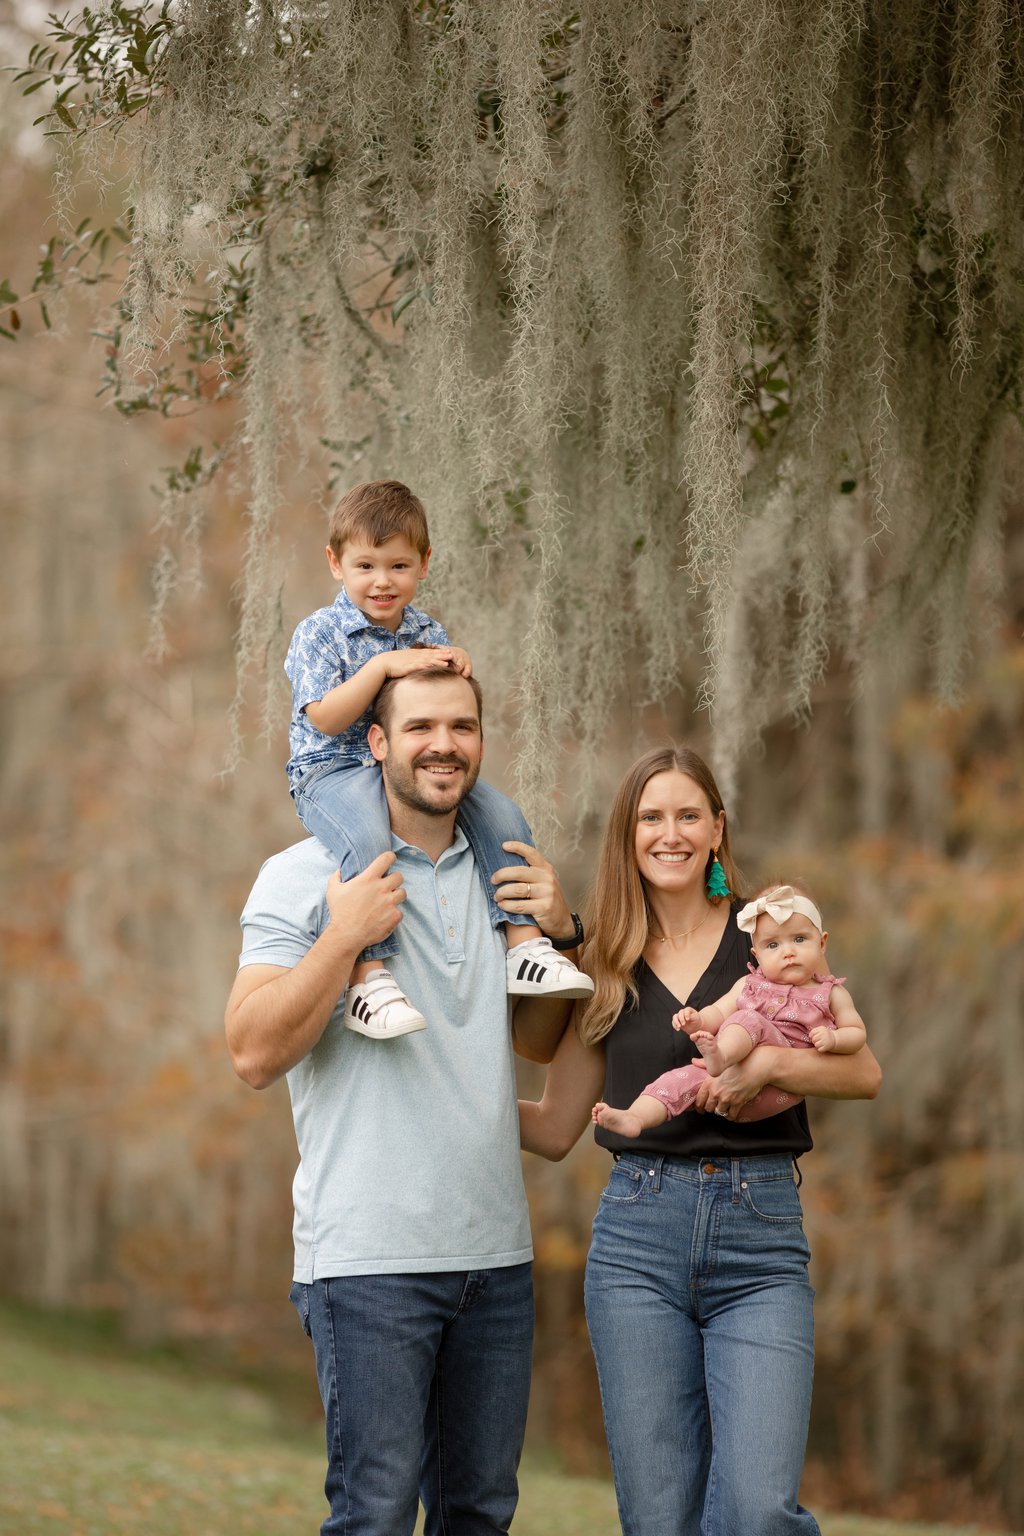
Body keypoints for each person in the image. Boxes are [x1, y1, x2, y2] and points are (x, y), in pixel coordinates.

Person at [225, 666, 581, 1536]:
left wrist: (565, 933)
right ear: (377, 742)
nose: (443, 745)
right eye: (420, 727)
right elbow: (251, 1051)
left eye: (462, 727)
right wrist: (343, 935)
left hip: (495, 1259)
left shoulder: (505, 873)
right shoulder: (304, 874)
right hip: (368, 1262)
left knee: (480, 1516)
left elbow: (536, 1044)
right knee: (374, 1517)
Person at [518, 745, 882, 1536]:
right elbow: (552, 1127)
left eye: (689, 815)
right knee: (660, 1519)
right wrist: (446, 1098)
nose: (670, 833)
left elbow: (863, 1073)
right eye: (651, 817)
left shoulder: (771, 932)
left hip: (760, 1238)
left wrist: (770, 1066)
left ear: (718, 829)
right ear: (629, 833)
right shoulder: (604, 955)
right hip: (636, 1247)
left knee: (757, 1512)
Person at [284, 478, 591, 1039]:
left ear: (424, 564)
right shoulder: (321, 634)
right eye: (365, 566)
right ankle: (369, 979)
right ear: (335, 564)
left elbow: (443, 700)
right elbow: (324, 717)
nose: (382, 581)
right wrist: (381, 668)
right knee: (368, 839)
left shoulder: (425, 629)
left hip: (403, 769)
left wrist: (457, 662)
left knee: (502, 816)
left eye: (398, 566)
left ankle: (524, 946)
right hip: (331, 772)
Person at [592, 882, 867, 1136]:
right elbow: (718, 1012)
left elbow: (856, 1032)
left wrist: (834, 1039)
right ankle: (635, 1118)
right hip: (725, 1086)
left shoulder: (830, 993)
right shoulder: (749, 984)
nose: (788, 952)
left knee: (748, 1018)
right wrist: (697, 1020)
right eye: (773, 945)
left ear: (822, 943)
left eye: (799, 939)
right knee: (680, 1080)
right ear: (757, 955)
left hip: (778, 1090)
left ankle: (720, 1056)